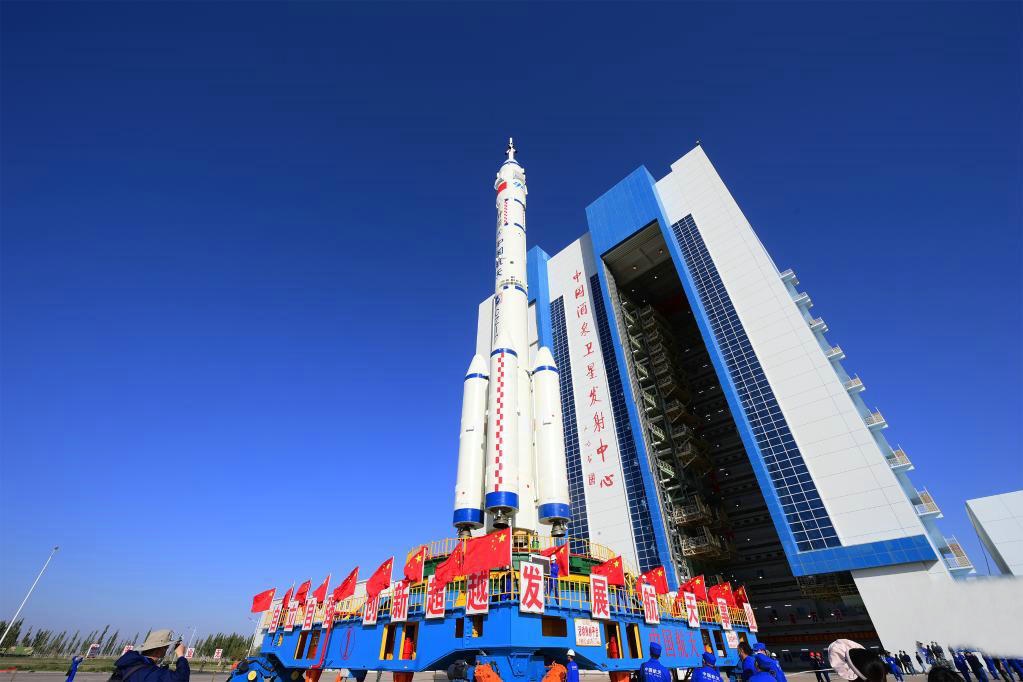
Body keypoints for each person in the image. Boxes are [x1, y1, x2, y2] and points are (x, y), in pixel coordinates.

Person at [113, 630, 189, 682]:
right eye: (166, 647)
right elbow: (181, 679)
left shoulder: (128, 665)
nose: (166, 651)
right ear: (158, 650)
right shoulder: (149, 671)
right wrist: (181, 655)